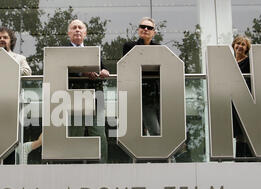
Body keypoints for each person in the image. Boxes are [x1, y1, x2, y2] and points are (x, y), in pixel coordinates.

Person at [21, 19, 110, 164]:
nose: (77, 30)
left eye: (80, 27)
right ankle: (73, 170)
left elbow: (102, 71)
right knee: (75, 136)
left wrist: (104, 71)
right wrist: (83, 73)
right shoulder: (63, 52)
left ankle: (103, 169)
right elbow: (59, 73)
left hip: (95, 99)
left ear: (85, 33)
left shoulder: (95, 52)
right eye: (74, 28)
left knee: (100, 135)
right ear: (69, 33)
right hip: (74, 99)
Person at [122, 17, 160, 136]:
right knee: (155, 131)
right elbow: (128, 67)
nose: (145, 29)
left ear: (154, 32)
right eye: (143, 27)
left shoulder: (159, 49)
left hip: (159, 95)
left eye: (149, 28)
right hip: (142, 95)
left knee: (166, 131)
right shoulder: (129, 46)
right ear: (138, 30)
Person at [232, 35, 253, 158]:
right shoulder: (230, 62)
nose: (239, 46)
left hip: (245, 99)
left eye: (243, 45)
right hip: (234, 101)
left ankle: (248, 159)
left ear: (246, 48)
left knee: (245, 131)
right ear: (234, 45)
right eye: (238, 43)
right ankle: (239, 159)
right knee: (238, 133)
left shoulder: (249, 62)